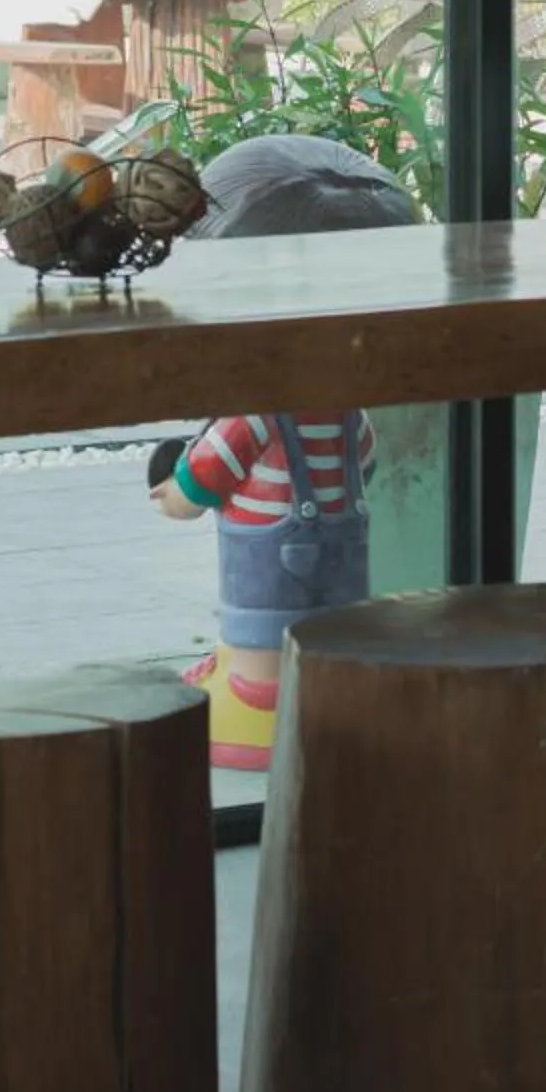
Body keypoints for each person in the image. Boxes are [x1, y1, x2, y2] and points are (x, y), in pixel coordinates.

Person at [146, 134, 416, 769]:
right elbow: (365, 457)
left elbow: (200, 479)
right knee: (330, 625)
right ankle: (330, 687)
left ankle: (257, 697)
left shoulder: (252, 416)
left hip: (265, 558)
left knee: (263, 628)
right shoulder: (347, 409)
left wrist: (171, 495)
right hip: (340, 556)